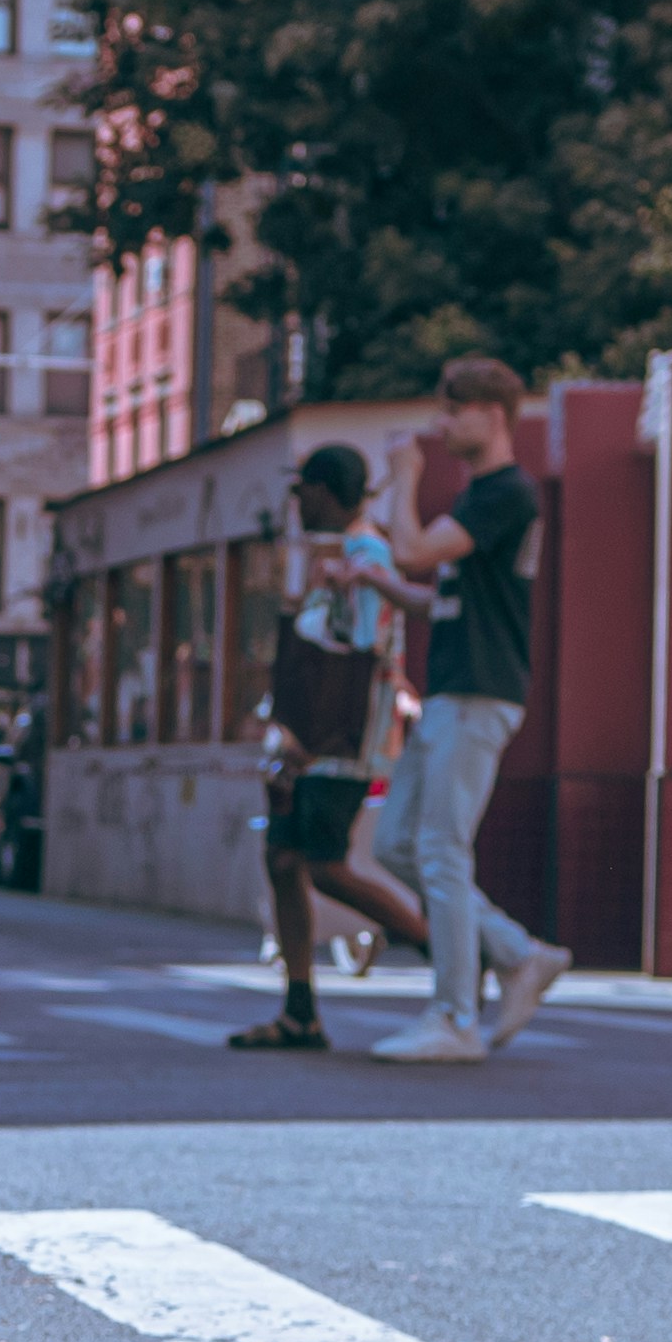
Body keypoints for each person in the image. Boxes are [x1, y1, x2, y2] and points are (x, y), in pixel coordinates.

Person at [363, 357, 571, 1061]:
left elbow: (416, 548)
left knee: (441, 849)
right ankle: (517, 953)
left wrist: (406, 473)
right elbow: (438, 596)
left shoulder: (503, 493)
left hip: (480, 691)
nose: (441, 424)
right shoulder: (484, 498)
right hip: (451, 688)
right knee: (397, 842)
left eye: (453, 410)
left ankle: (454, 1015)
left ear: (493, 414)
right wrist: (380, 583)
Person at [233, 444, 439, 1051]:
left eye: (303, 491)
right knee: (284, 861)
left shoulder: (365, 553)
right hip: (310, 739)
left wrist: (307, 736)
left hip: (339, 743)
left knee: (322, 863)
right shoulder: (340, 557)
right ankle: (300, 1010)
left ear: (325, 491)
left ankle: (443, 948)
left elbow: (359, 647)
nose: (296, 503)